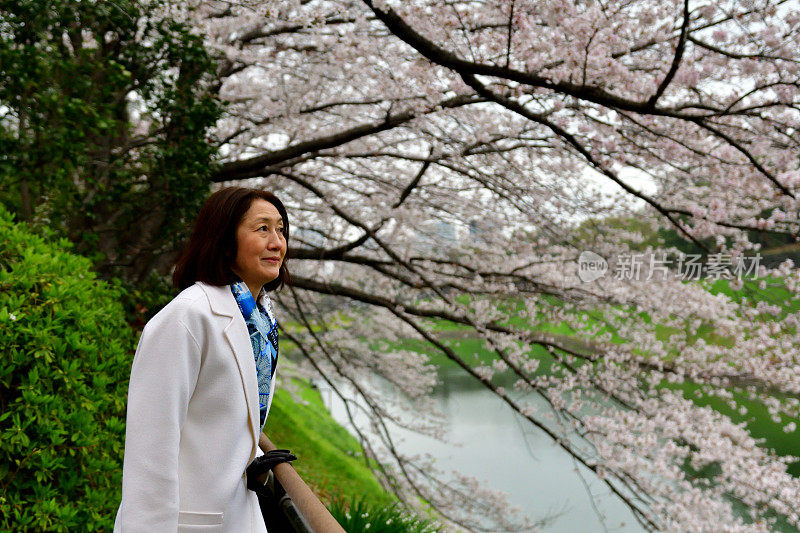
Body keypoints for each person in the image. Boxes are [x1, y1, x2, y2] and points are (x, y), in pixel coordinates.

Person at [113, 186, 290, 532]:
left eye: (281, 229)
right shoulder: (187, 318)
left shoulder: (260, 322)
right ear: (225, 240)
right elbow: (151, 447)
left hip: (238, 512)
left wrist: (253, 457)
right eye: (262, 228)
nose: (277, 243)